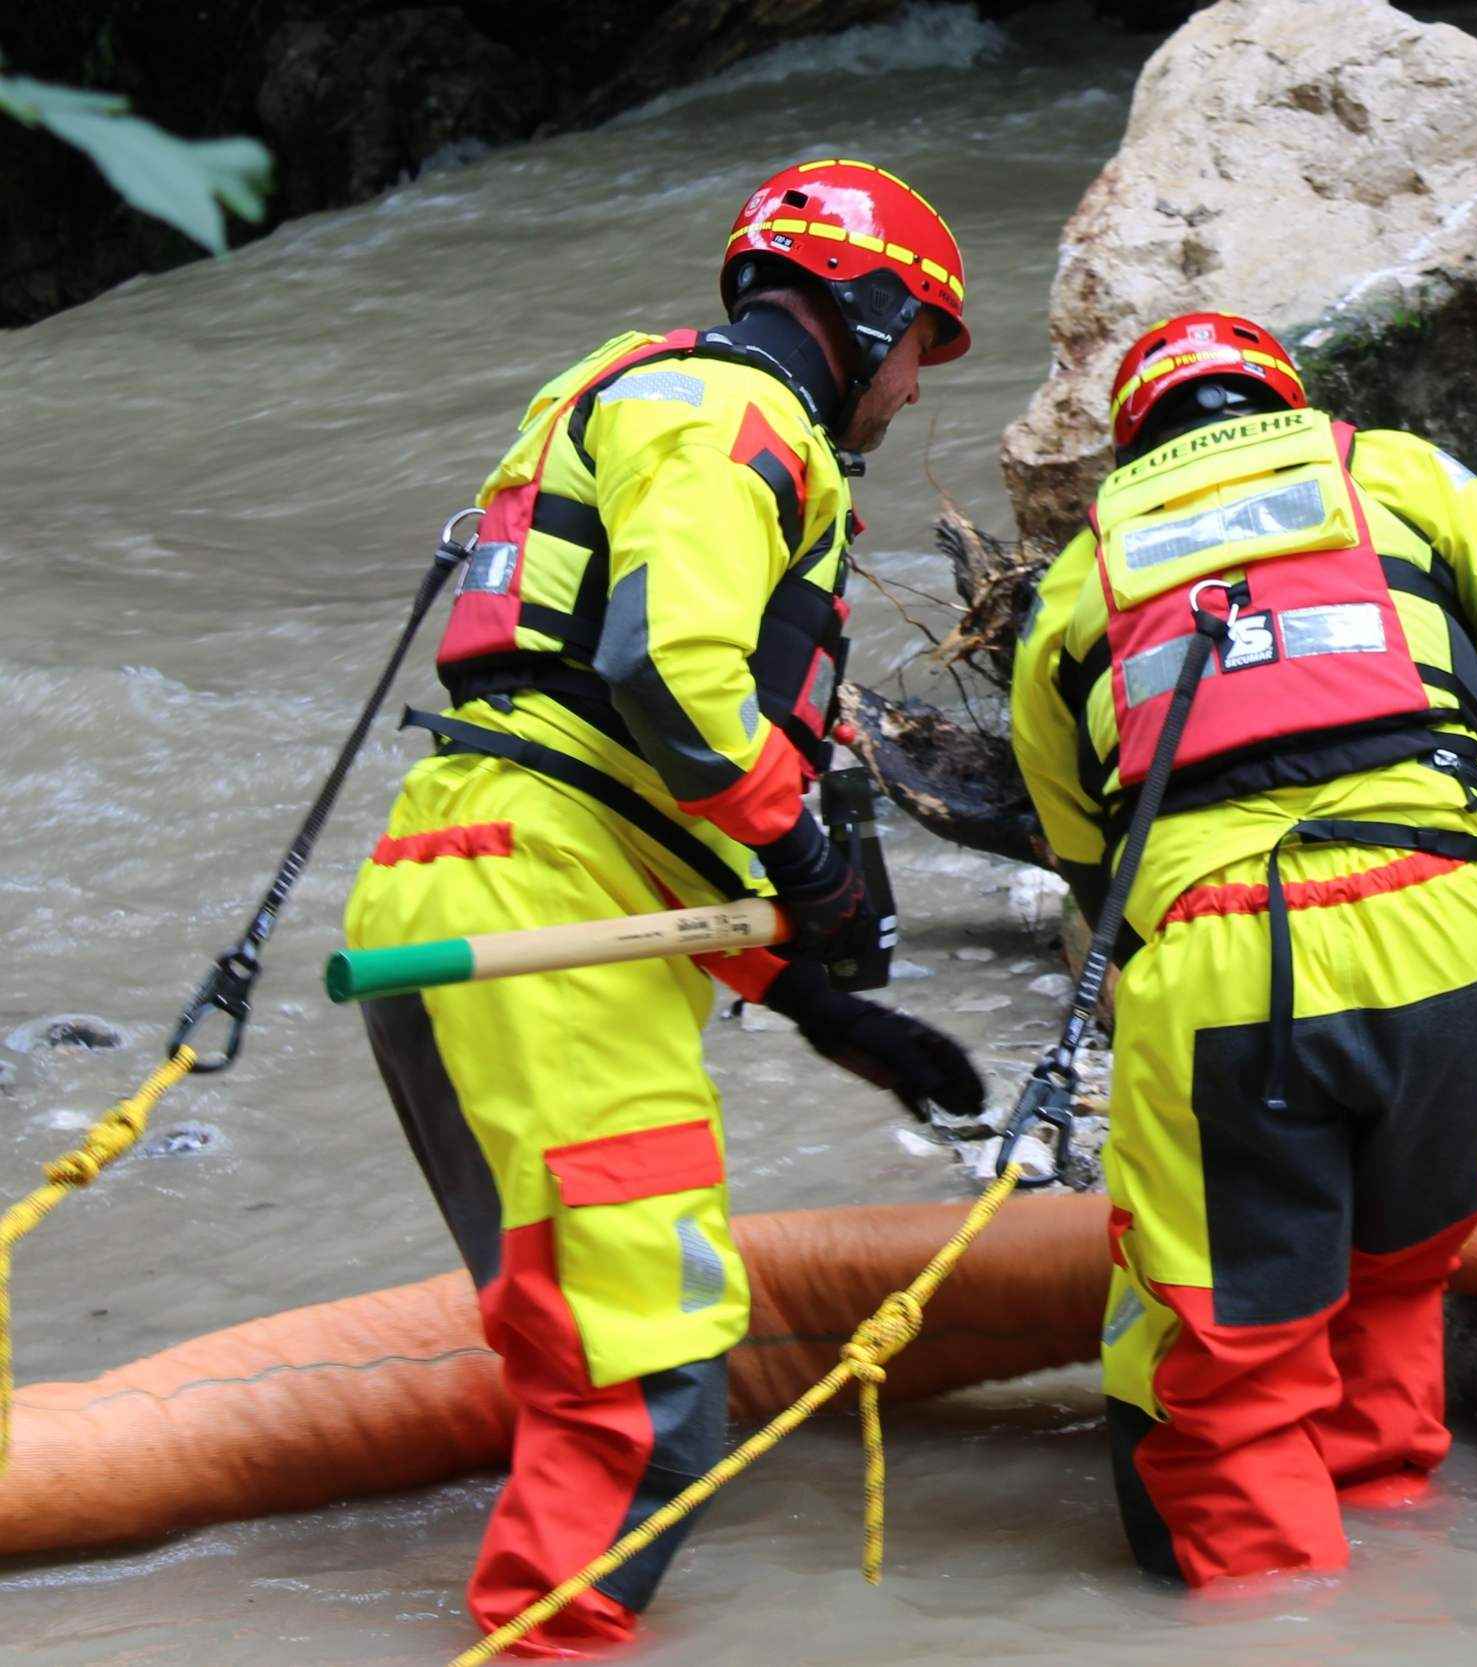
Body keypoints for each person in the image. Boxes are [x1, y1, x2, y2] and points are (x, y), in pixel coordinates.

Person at [343, 159, 987, 1658]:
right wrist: (810, 863)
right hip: (537, 917)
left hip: (463, 884)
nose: (909, 393)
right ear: (864, 309)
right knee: (648, 1400)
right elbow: (674, 679)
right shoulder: (731, 415)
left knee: (575, 1348)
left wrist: (819, 1004)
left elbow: (615, 794)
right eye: (917, 350)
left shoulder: (631, 399)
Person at [1008, 311, 1477, 1588]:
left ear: (1134, 444)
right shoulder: (1394, 473)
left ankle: (1274, 1608)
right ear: (1281, 400)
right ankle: (1402, 1554)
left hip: (1223, 966)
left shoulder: (1075, 582)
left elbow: (1096, 880)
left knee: (1227, 1341)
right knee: (1399, 1265)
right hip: (1440, 931)